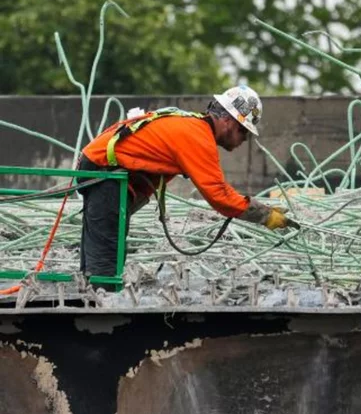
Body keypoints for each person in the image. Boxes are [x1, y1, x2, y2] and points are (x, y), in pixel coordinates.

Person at [77, 84, 295, 288]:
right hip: (104, 171)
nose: (244, 139)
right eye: (244, 131)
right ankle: (99, 310)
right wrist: (265, 216)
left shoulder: (192, 126)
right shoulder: (197, 137)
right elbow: (219, 196)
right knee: (106, 257)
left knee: (107, 251)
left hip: (106, 170)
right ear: (228, 121)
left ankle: (92, 296)